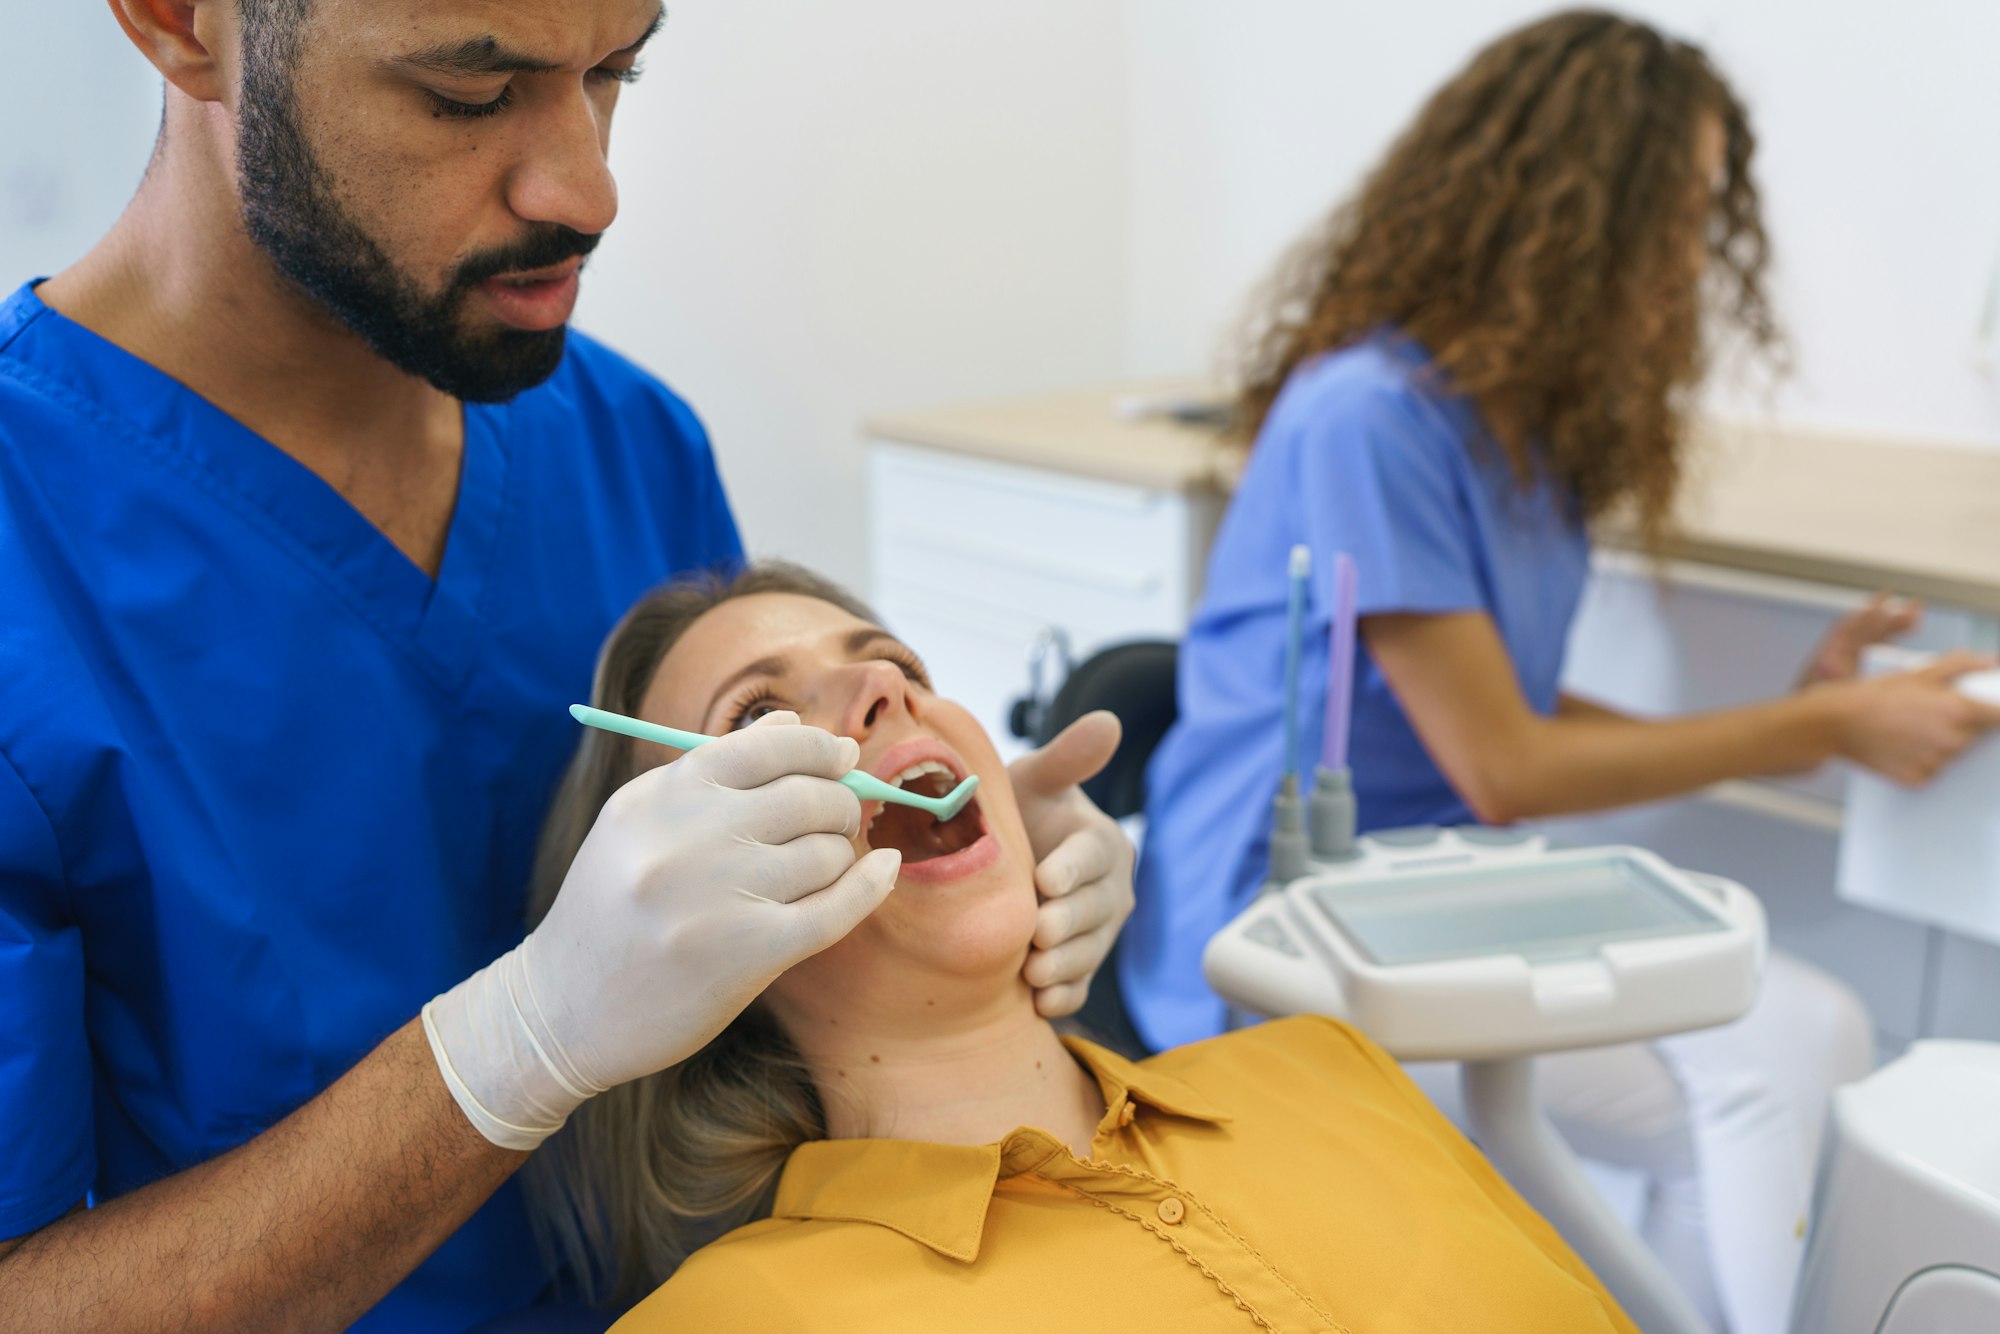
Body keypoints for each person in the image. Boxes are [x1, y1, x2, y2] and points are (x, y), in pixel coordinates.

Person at [0, 2, 1132, 1330]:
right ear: (182, 24)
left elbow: (767, 1026)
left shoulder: (634, 448)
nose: (588, 187)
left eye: (615, 70)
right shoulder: (35, 555)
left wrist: (958, 873)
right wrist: (511, 1047)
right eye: (468, 95)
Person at [1125, 12, 2000, 1334]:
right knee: (1780, 1051)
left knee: (1786, 1043)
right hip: (1277, 934)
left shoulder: (1526, 435)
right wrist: (1814, 720)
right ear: (1571, 207)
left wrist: (1808, 720)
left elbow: (1506, 715)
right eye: (1681, 210)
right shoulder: (1371, 414)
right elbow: (1505, 762)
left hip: (1438, 892)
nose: (1695, 258)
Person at [518, 561, 1642, 1333]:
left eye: (894, 661)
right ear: (680, 917)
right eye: (758, 719)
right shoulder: (734, 1318)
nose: (883, 686)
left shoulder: (1325, 1063)